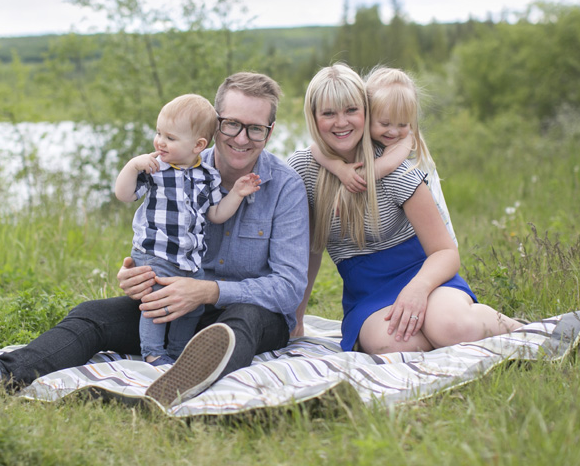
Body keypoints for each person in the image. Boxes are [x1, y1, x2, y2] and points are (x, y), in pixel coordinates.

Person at [0, 73, 309, 407]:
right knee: (94, 314)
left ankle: (189, 379)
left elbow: (289, 288)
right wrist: (134, 276)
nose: (242, 138)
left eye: (255, 128)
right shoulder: (171, 170)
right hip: (168, 299)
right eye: (232, 125)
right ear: (213, 127)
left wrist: (207, 292)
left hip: (246, 313)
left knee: (242, 320)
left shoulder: (285, 187)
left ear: (269, 131)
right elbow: (144, 221)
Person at [287, 63, 520, 355]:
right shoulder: (302, 170)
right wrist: (296, 318)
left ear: (366, 111)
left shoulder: (394, 168)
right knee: (390, 344)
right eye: (328, 113)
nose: (341, 122)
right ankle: (448, 339)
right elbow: (309, 252)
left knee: (452, 327)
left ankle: (521, 331)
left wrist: (418, 289)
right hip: (367, 291)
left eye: (351, 110)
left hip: (423, 274)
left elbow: (446, 252)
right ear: (313, 116)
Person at [114, 93, 261, 367]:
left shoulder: (207, 175)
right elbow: (124, 194)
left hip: (190, 260)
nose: (160, 141)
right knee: (157, 303)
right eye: (159, 133)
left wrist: (238, 193)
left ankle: (179, 351)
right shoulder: (154, 169)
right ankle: (153, 352)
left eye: (170, 137)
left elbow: (216, 214)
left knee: (192, 310)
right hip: (156, 255)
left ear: (198, 145)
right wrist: (133, 165)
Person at [310, 66, 457, 244]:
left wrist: (353, 180)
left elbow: (386, 165)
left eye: (403, 124)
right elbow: (314, 149)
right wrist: (340, 169)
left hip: (429, 226)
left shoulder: (406, 141)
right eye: (385, 123)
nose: (393, 132)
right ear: (368, 114)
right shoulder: (370, 140)